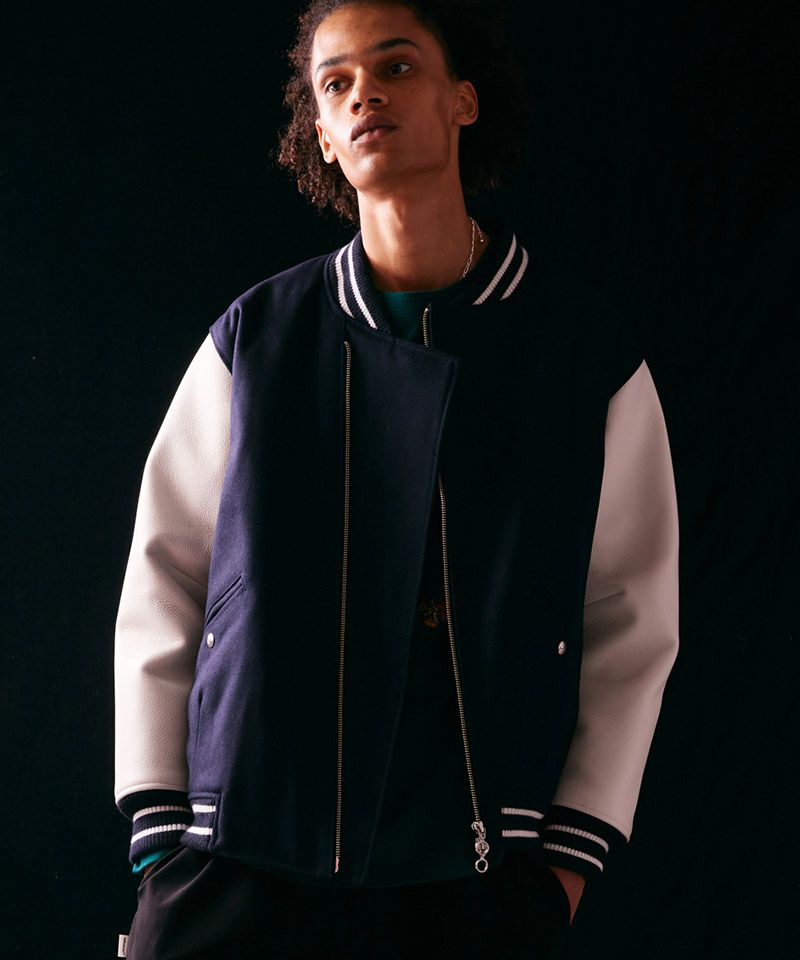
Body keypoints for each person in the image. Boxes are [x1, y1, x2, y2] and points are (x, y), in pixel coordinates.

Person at [114, 1, 680, 957]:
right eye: (335, 83)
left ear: (464, 100)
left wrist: (569, 856)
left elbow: (633, 615)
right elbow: (164, 578)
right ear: (322, 139)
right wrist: (162, 824)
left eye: (398, 67)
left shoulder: (583, 354)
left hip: (477, 870)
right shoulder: (258, 338)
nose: (364, 94)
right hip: (245, 847)